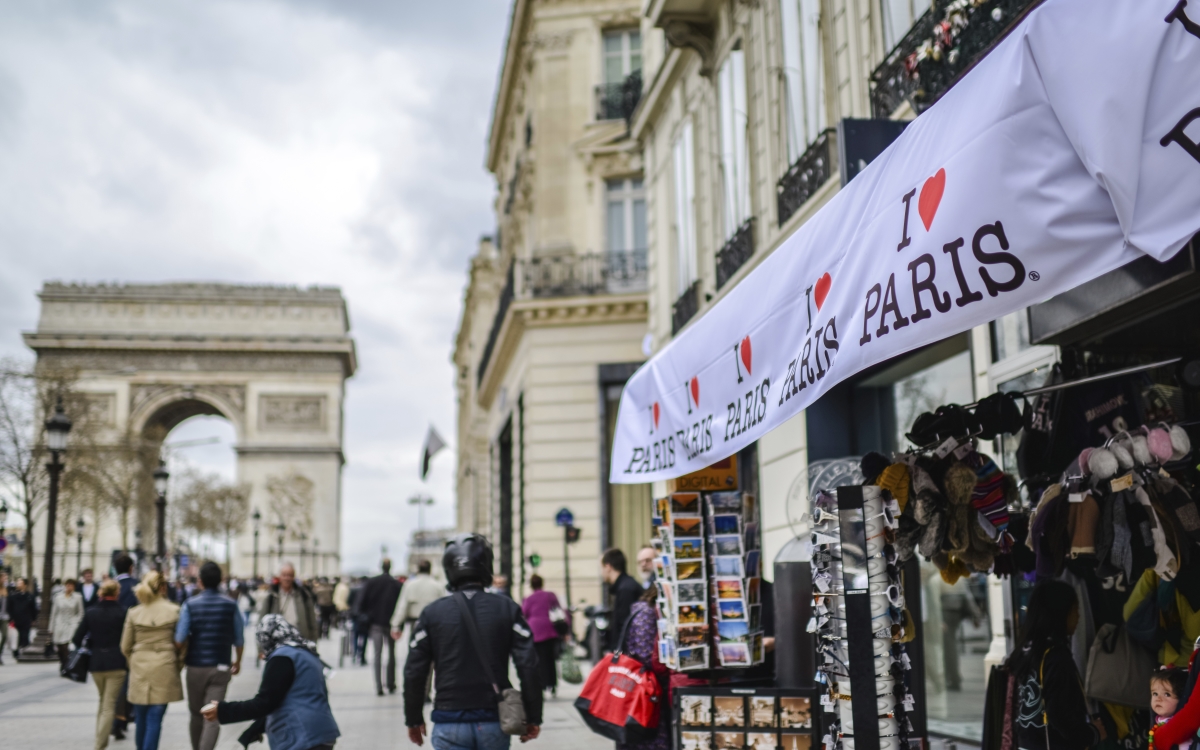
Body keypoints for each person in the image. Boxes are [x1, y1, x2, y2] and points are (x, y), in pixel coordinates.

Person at [403, 532, 542, 748]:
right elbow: (528, 665)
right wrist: (533, 716)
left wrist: (413, 718)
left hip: (449, 718)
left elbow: (414, 671)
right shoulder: (507, 608)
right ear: (486, 565)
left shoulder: (432, 613)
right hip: (493, 719)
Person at [200, 615, 340, 750]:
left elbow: (265, 702)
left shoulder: (282, 658)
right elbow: (283, 699)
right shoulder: (306, 653)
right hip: (322, 732)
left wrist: (223, 710)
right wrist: (256, 729)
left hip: (302, 734)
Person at [1008, 580, 1101, 750]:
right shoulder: (1056, 657)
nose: (1078, 616)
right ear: (1061, 613)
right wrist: (1093, 733)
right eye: (1075, 610)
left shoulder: (1025, 650)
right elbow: (1061, 715)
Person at [175, 562, 245, 750]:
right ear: (221, 581)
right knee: (212, 715)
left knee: (196, 714)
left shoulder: (190, 605)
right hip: (221, 666)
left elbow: (180, 639)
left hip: (195, 666)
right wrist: (237, 661)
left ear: (200, 581)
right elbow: (239, 638)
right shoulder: (231, 605)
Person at [121, 570, 184, 750]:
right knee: (155, 718)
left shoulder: (134, 613)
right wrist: (177, 665)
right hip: (165, 665)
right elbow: (182, 643)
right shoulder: (174, 611)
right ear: (163, 587)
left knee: (140, 718)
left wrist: (133, 662)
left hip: (140, 665)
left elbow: (125, 646)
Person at [73, 579, 129, 750]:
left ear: (101, 593)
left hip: (96, 663)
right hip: (117, 663)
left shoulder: (91, 612)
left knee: (103, 701)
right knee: (109, 704)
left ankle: (99, 737)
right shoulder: (124, 612)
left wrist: (92, 645)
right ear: (117, 593)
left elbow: (76, 638)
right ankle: (100, 745)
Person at [617, 586, 671, 750]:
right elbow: (645, 657)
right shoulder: (647, 614)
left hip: (644, 693)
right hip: (644, 695)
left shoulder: (644, 611)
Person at [356, 558, 402, 696]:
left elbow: (361, 603)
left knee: (377, 654)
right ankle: (391, 683)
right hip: (392, 623)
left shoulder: (372, 582)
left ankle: (378, 686)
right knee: (392, 654)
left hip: (376, 623)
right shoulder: (396, 585)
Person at [521, 574, 564, 698]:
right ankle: (553, 684)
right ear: (542, 583)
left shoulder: (528, 599)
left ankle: (543, 684)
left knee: (539, 660)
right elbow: (559, 610)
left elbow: (524, 613)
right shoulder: (550, 595)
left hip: (536, 632)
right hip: (550, 630)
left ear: (531, 585)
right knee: (551, 659)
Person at [111, 553, 139, 741]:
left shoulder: (109, 586)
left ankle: (119, 719)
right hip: (130, 641)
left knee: (116, 682)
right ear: (131, 568)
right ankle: (118, 721)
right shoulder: (137, 586)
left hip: (110, 641)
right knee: (126, 682)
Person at [259, 563, 319, 642]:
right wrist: (261, 650)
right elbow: (261, 623)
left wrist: (313, 644)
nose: (287, 578)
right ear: (279, 577)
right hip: (277, 643)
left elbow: (312, 622)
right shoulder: (272, 596)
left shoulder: (304, 596)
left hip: (299, 642)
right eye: (284, 575)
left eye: (290, 575)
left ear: (294, 577)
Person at [390, 560, 447, 641]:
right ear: (430, 570)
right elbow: (444, 607)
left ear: (418, 570)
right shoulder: (437, 586)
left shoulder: (409, 584)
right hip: (433, 624)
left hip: (415, 624)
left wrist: (395, 625)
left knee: (415, 647)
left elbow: (402, 606)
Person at [600, 548, 643, 652]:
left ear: (608, 567)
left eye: (601, 568)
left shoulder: (625, 589)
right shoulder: (625, 586)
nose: (601, 573)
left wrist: (617, 653)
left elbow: (624, 626)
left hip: (627, 654)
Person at [51, 577, 84, 668]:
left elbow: (80, 612)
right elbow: (54, 613)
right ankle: (62, 662)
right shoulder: (58, 597)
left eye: (71, 585)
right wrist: (51, 628)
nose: (69, 587)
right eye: (68, 585)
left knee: (67, 646)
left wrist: (77, 622)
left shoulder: (78, 597)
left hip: (71, 624)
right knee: (60, 646)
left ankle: (66, 665)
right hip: (59, 624)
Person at [9, 577, 38, 659]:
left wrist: (34, 619)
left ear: (25, 585)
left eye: (20, 583)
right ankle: (16, 651)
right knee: (17, 636)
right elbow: (10, 608)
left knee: (25, 636)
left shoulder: (30, 596)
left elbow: (33, 608)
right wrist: (11, 618)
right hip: (16, 620)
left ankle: (25, 650)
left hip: (26, 619)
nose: (18, 584)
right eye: (17, 582)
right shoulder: (13, 596)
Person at [0, 572, 10, 664]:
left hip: (4, 617)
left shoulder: (6, 590)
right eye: (3, 578)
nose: (5, 580)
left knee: (5, 636)